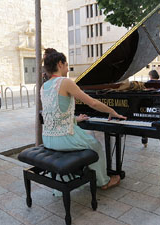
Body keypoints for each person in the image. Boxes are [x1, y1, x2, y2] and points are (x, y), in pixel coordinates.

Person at [41, 52, 127, 190]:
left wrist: (74, 118)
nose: (68, 69)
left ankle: (83, 174)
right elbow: (92, 103)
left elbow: (54, 113)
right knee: (95, 146)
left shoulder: (44, 86)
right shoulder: (65, 82)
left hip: (47, 138)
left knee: (87, 136)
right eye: (67, 65)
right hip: (63, 138)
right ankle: (103, 182)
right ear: (60, 64)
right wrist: (112, 111)